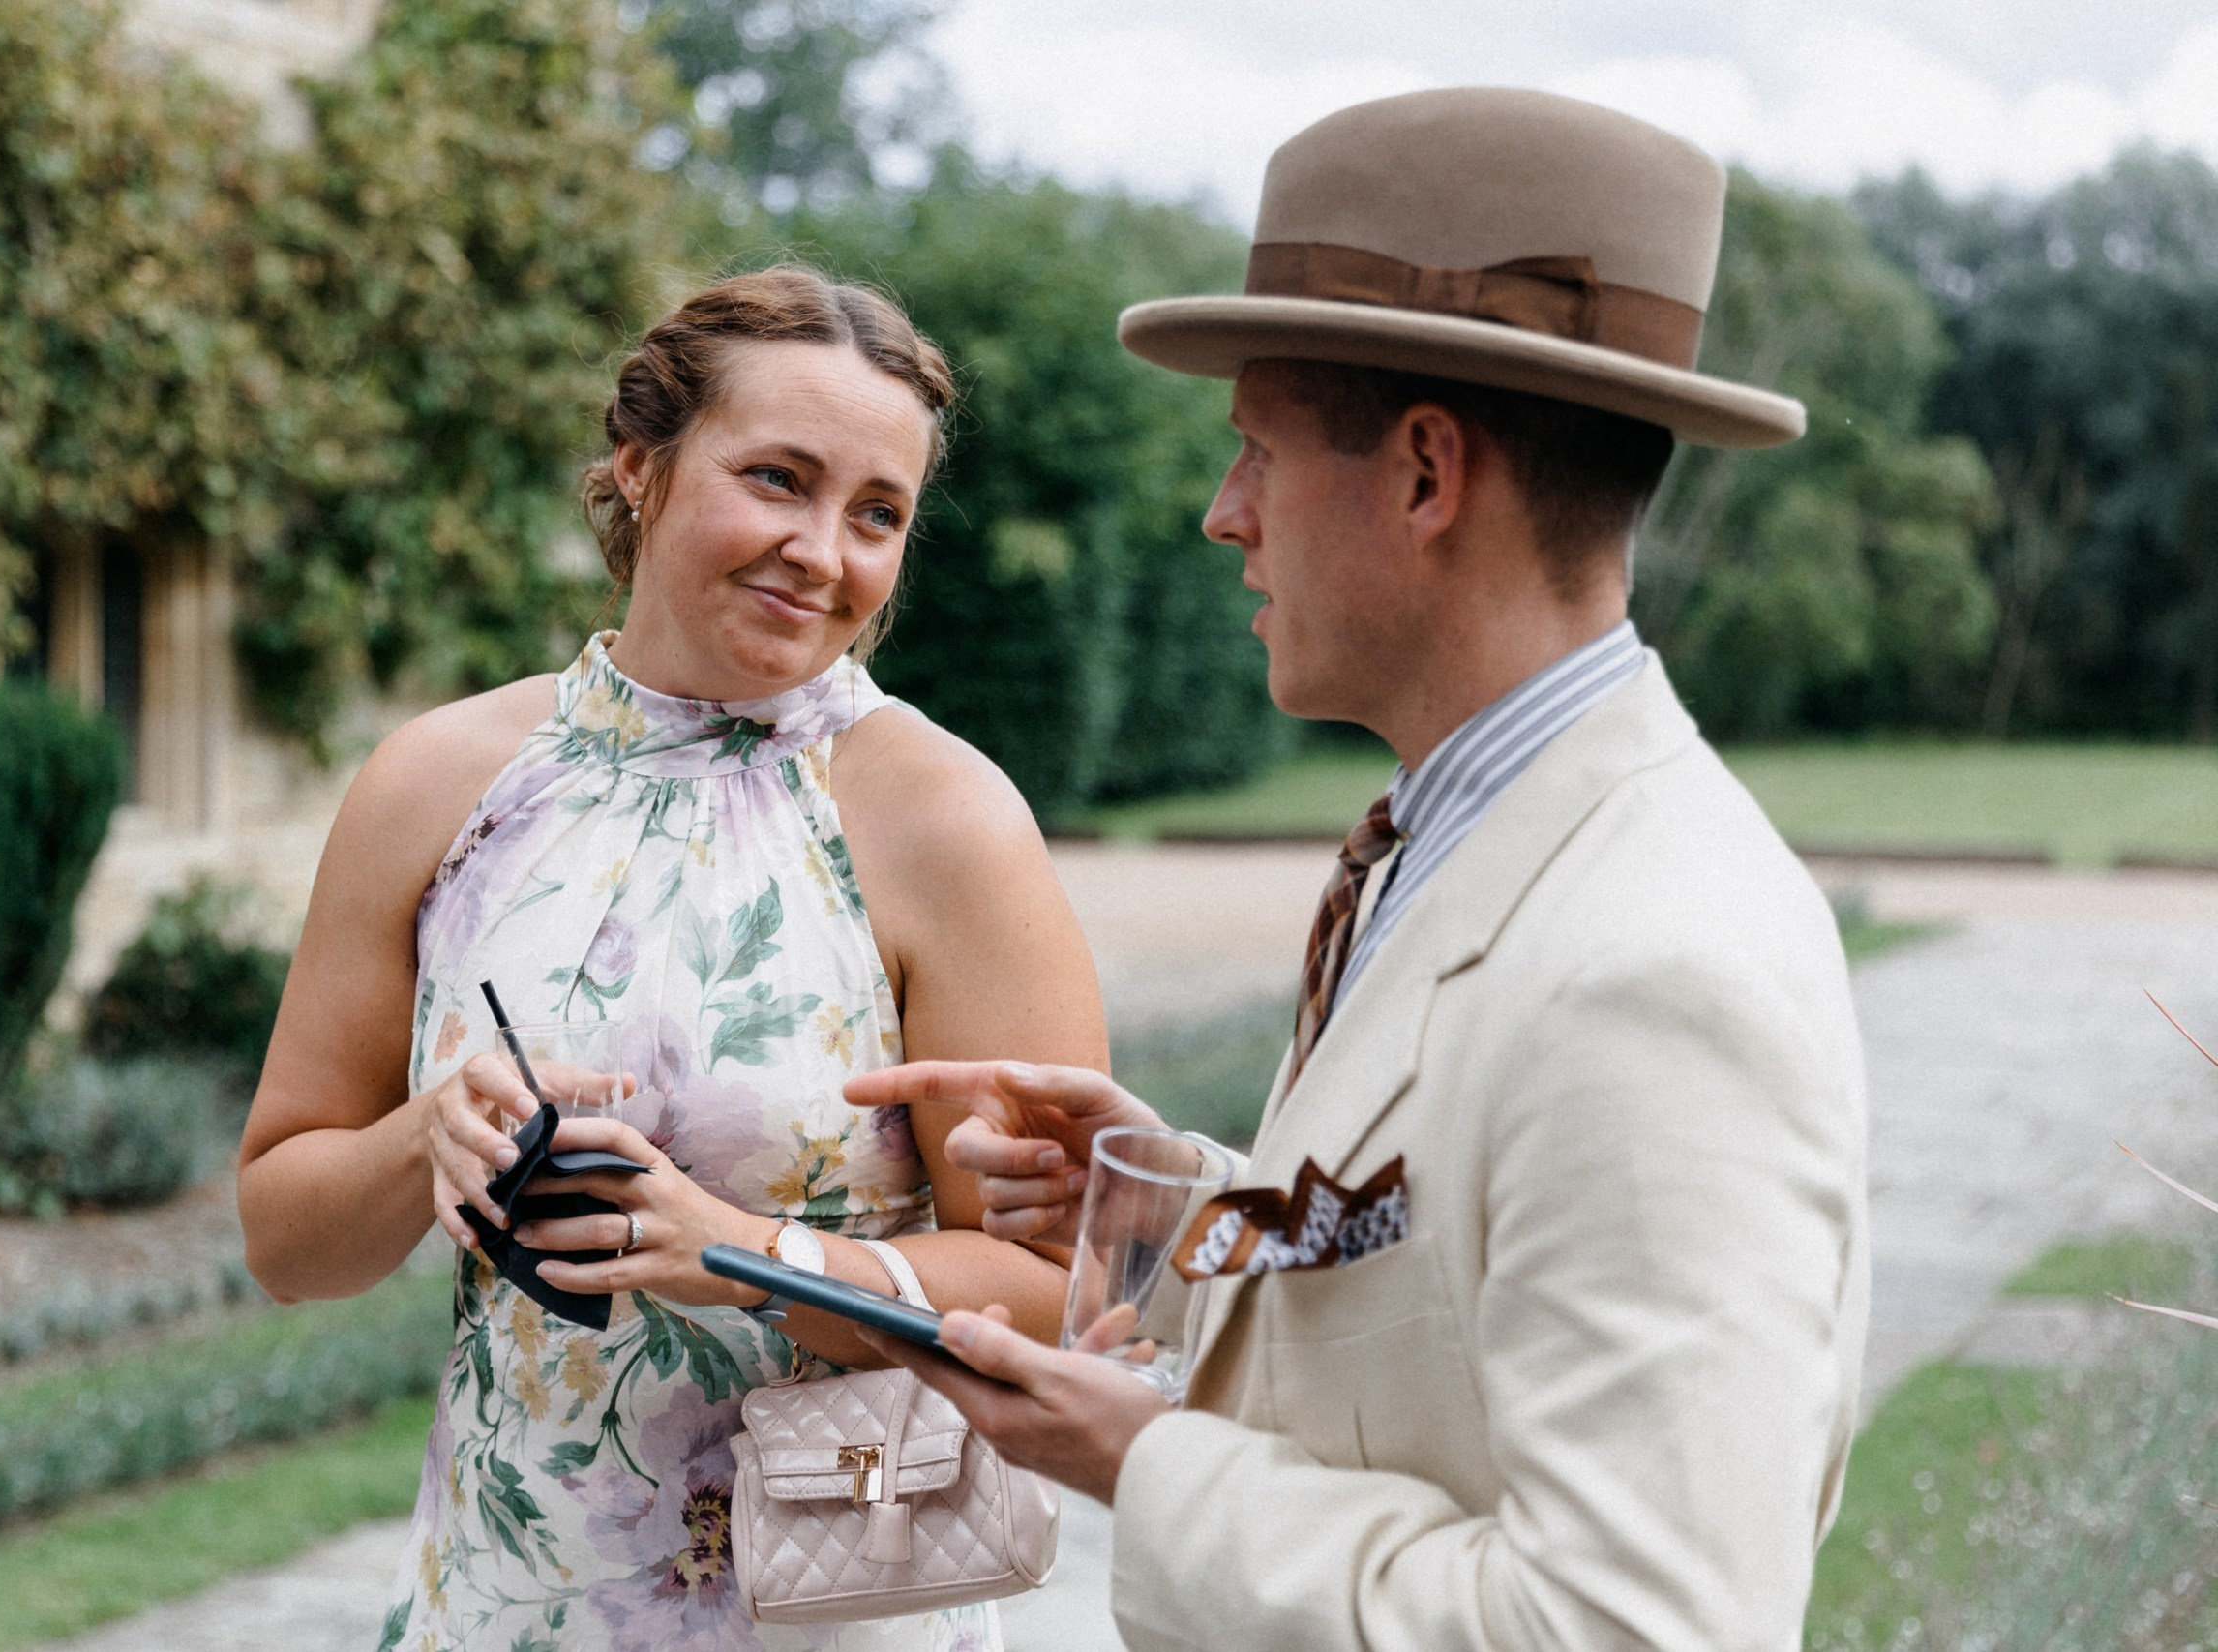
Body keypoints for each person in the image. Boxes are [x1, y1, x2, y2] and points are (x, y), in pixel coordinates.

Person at [846, 89, 1870, 1652]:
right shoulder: (1479, 832)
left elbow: (1636, 1626)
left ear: (1424, 477)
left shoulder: (1659, 968)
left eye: (1254, 449)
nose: (1221, 516)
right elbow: (1442, 1308)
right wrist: (1178, 1218)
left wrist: (1145, 1459)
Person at [235, 266, 1106, 1652]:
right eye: (778, 480)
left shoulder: (948, 821)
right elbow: (286, 1242)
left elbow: (1064, 1297)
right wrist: (426, 1137)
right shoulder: (437, 783)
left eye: (876, 513)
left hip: (836, 1611)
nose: (824, 550)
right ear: (639, 468)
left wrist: (748, 1256)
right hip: (509, 1608)